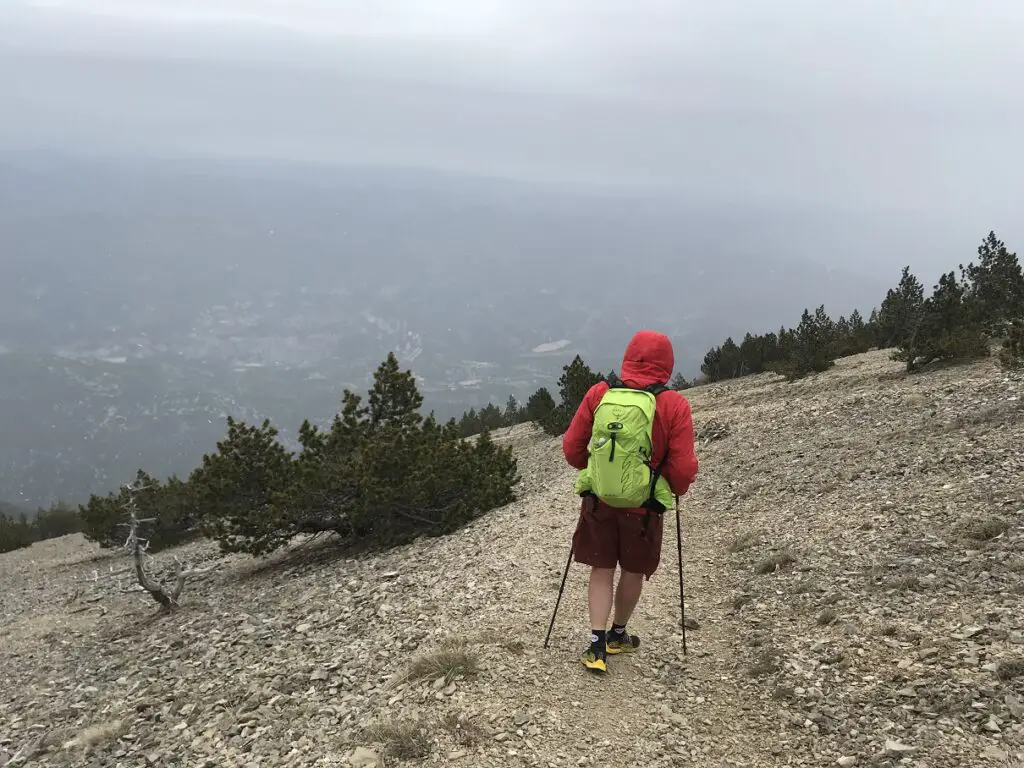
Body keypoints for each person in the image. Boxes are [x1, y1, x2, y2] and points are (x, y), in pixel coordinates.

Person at [561, 330, 699, 673]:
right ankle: (618, 634)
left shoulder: (600, 393)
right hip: (645, 508)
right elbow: (682, 467)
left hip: (600, 501)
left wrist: (595, 471)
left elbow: (572, 448)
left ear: (627, 357)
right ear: (666, 364)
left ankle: (595, 646)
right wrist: (672, 487)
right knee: (633, 571)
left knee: (601, 568)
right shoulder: (673, 404)